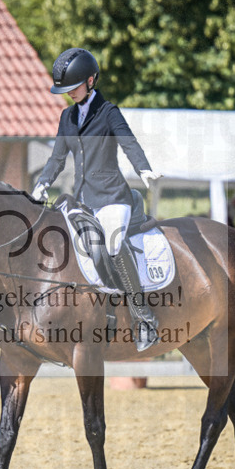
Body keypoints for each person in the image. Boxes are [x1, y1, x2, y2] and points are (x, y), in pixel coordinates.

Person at [33, 47, 162, 351]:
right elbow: (57, 158)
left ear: (90, 80)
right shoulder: (67, 117)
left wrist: (144, 170)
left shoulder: (108, 113)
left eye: (73, 88)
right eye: (64, 90)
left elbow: (128, 143)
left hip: (112, 197)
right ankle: (101, 315)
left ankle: (144, 319)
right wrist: (42, 183)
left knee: (113, 246)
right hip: (81, 200)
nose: (69, 95)